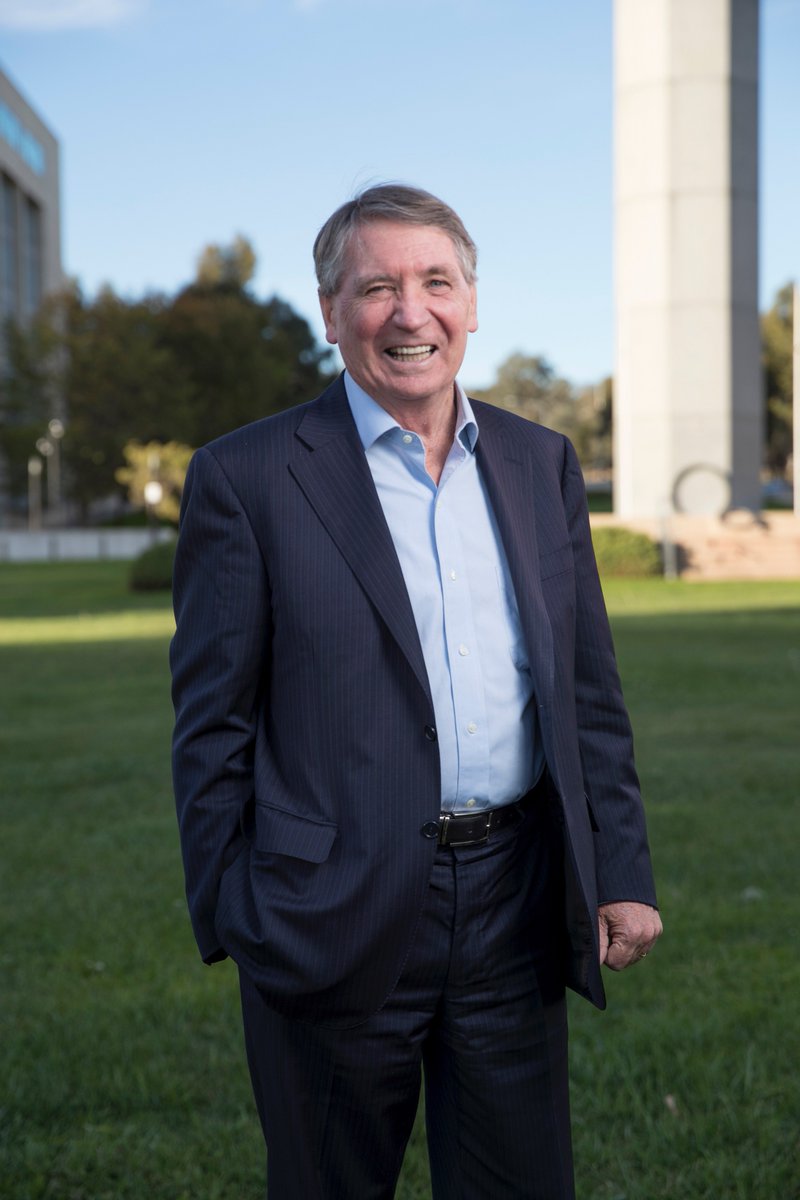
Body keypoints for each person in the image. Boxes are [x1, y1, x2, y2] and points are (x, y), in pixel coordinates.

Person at [170, 183, 662, 1200]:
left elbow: (585, 692)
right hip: (327, 913)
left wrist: (617, 868)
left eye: (436, 282)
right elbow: (212, 724)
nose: (410, 312)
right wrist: (236, 913)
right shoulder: (248, 478)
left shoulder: (539, 462)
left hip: (516, 902)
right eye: (375, 288)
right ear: (330, 311)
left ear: (470, 302)